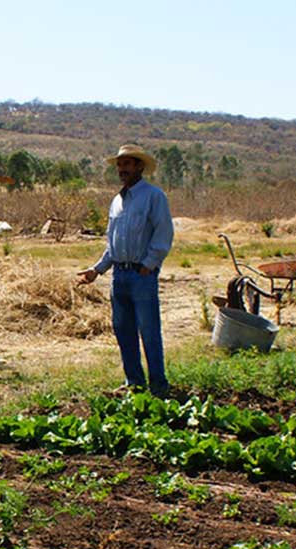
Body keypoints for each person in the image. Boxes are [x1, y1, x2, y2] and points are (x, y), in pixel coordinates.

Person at [75, 144, 175, 397]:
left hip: (142, 275)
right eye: (120, 165)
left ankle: (159, 386)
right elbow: (112, 243)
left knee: (149, 331)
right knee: (124, 330)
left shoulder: (154, 197)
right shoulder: (116, 202)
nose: (122, 169)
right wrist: (96, 270)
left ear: (140, 167)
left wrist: (149, 264)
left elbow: (164, 234)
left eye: (128, 164)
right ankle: (135, 383)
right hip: (119, 276)